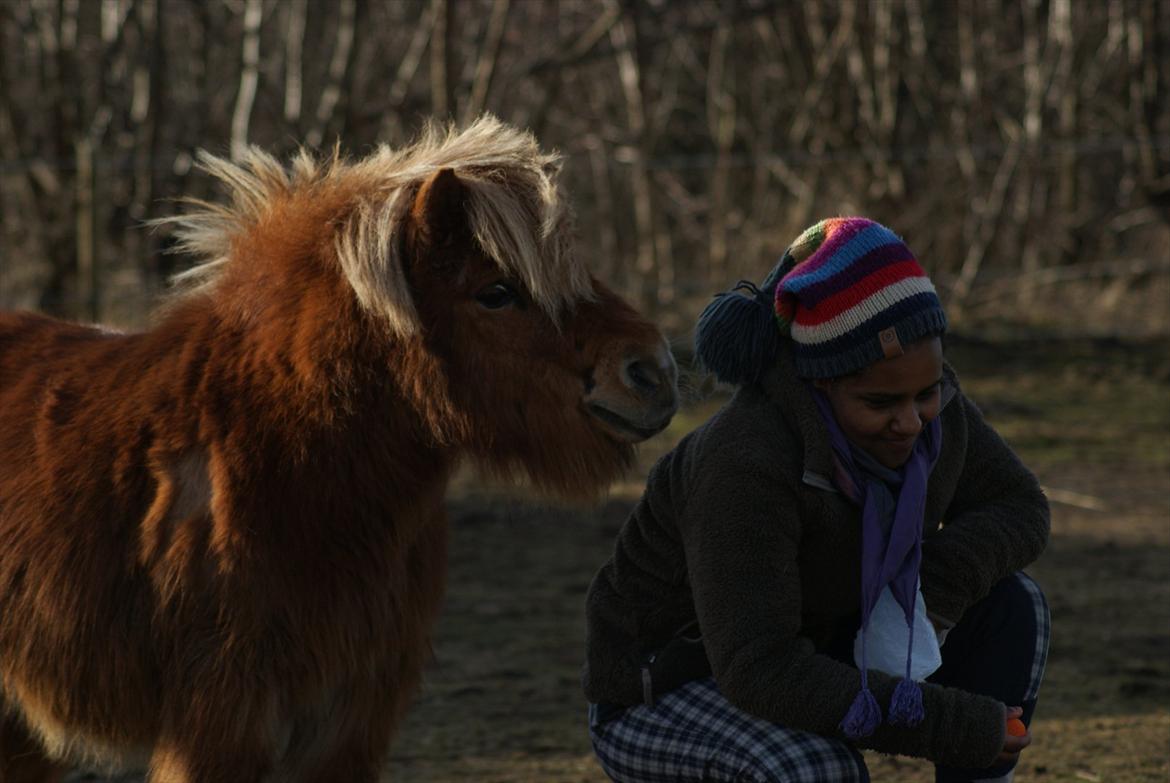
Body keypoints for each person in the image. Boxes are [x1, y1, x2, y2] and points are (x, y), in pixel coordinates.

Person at [582, 217, 1050, 783]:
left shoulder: (937, 408)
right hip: (668, 687)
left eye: (924, 394)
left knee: (1013, 605)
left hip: (817, 644)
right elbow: (759, 670)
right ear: (820, 384)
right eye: (880, 402)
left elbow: (1019, 505)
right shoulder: (745, 461)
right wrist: (954, 724)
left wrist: (926, 598)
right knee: (815, 770)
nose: (910, 422)